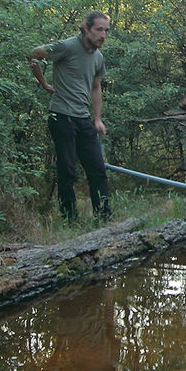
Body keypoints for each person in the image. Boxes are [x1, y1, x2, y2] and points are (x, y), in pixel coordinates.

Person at [29, 12, 112, 223]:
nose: (103, 35)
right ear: (86, 28)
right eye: (99, 30)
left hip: (83, 118)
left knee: (97, 169)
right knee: (67, 171)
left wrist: (98, 118)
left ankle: (103, 216)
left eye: (106, 31)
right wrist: (44, 83)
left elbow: (95, 87)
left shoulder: (98, 57)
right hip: (61, 116)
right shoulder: (67, 46)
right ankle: (70, 219)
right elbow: (33, 54)